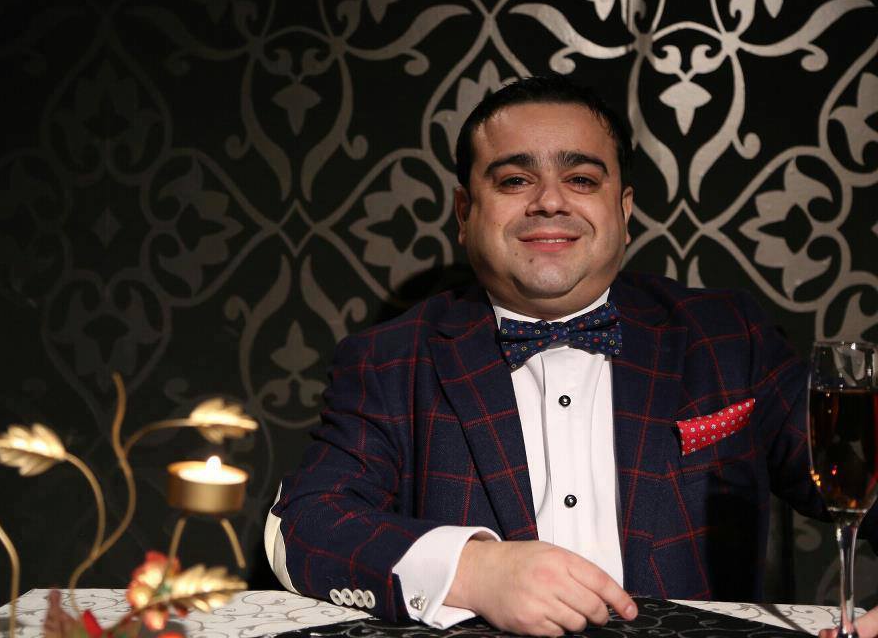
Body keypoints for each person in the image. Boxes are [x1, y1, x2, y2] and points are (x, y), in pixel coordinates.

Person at [263, 74, 878, 636]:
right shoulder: (387, 360)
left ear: (624, 210)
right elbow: (303, 525)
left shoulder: (728, 337)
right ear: (464, 213)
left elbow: (863, 471)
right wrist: (476, 570)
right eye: (514, 180)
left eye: (581, 179)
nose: (550, 202)